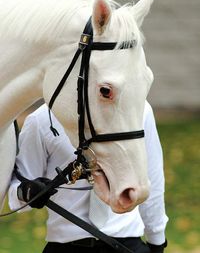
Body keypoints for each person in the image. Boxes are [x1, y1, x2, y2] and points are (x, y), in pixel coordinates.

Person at [8, 101, 168, 253]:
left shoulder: (139, 108)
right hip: (66, 247)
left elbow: (152, 181)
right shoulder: (42, 119)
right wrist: (28, 191)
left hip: (127, 244)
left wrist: (157, 241)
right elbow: (18, 195)